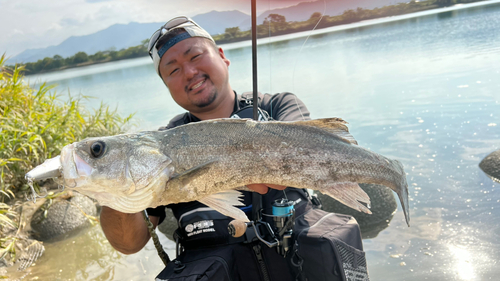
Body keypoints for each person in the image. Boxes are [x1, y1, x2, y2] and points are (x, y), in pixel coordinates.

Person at [100, 16, 364, 281]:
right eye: (173, 70)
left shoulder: (278, 107)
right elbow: (128, 244)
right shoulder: (157, 150)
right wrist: (115, 186)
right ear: (167, 85)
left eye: (195, 57)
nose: (189, 73)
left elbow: (311, 147)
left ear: (222, 56)